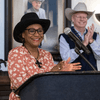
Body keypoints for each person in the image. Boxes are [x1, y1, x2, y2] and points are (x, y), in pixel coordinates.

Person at [7, 12, 81, 100]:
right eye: (31, 31)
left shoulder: (47, 55)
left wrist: (62, 72)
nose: (37, 34)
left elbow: (53, 83)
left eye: (40, 30)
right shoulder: (16, 53)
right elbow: (19, 84)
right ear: (23, 34)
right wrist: (51, 71)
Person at [59, 2, 100, 71]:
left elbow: (99, 57)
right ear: (73, 19)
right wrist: (83, 45)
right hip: (73, 76)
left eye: (84, 17)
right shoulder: (64, 36)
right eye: (79, 17)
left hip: (92, 75)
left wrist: (92, 41)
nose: (82, 19)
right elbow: (66, 59)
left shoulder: (94, 35)